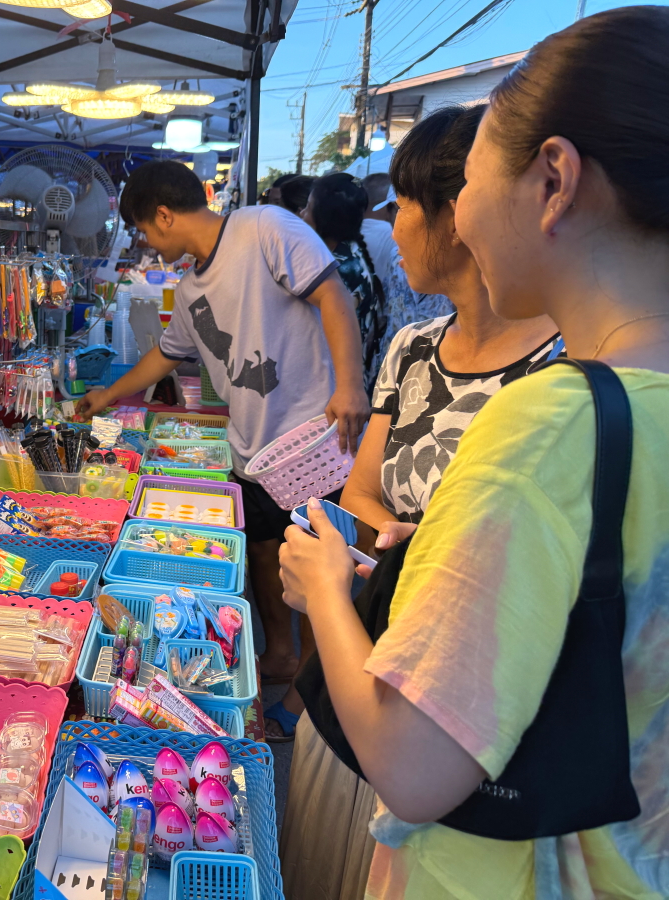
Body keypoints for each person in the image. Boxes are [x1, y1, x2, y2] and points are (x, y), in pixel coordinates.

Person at [279, 8, 669, 897]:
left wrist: (328, 588)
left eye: (473, 180)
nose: (457, 215)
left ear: (554, 180)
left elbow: (411, 765)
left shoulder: (551, 423)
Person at [276, 105, 560, 900]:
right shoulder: (412, 349)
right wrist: (376, 546)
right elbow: (362, 490)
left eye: (403, 204)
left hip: (448, 724)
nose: (391, 226)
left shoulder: (561, 378)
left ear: (461, 213)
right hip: (357, 662)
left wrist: (404, 558)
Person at [77, 160, 370, 684]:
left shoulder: (264, 228)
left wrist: (350, 385)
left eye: (144, 230)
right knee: (262, 550)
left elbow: (333, 295)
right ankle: (280, 653)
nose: (147, 244)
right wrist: (107, 396)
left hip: (313, 440)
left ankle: (311, 687)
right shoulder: (191, 289)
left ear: (163, 215)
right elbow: (165, 356)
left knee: (319, 562)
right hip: (250, 448)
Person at [304, 173, 386, 390]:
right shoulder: (350, 255)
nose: (302, 215)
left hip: (335, 390)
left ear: (324, 217)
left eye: (308, 208)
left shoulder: (335, 271)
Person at [362, 172, 454, 350]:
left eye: (401, 209)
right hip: (406, 351)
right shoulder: (396, 253)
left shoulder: (447, 254)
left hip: (425, 352)